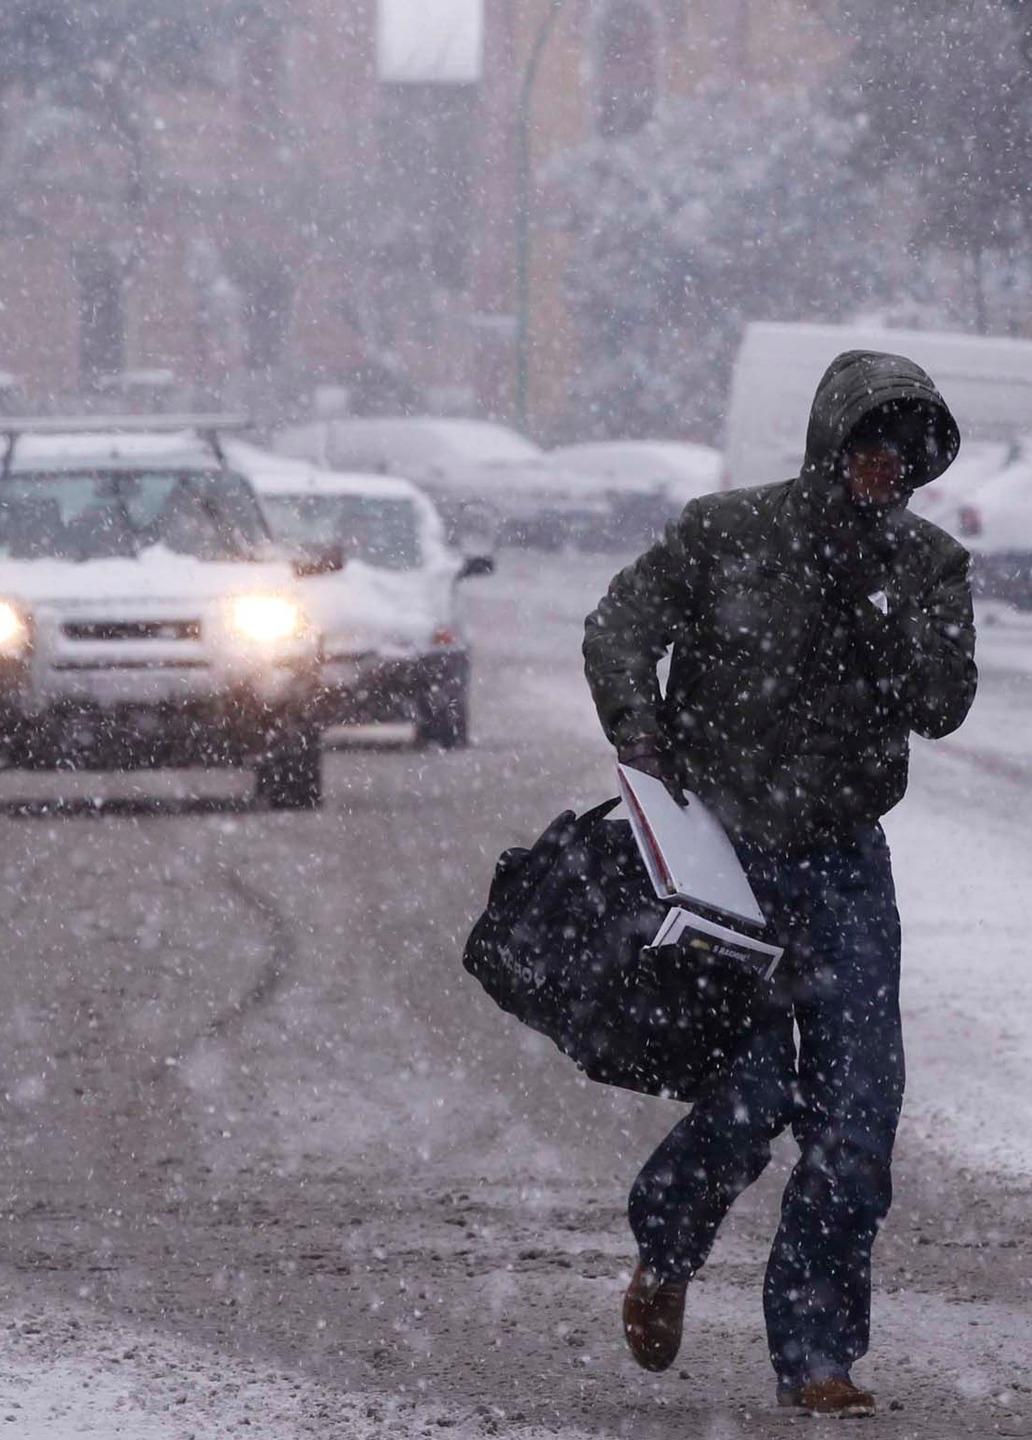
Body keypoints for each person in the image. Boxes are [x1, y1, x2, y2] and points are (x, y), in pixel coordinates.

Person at [583, 350, 977, 1418]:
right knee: (747, 1102)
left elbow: (943, 705)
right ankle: (665, 1254)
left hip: (847, 868)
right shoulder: (727, 535)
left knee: (856, 1121)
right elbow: (620, 626)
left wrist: (884, 602)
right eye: (867, 441)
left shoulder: (928, 565)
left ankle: (816, 1356)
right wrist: (642, 731)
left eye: (905, 450)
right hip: (724, 867)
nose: (882, 465)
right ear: (830, 440)